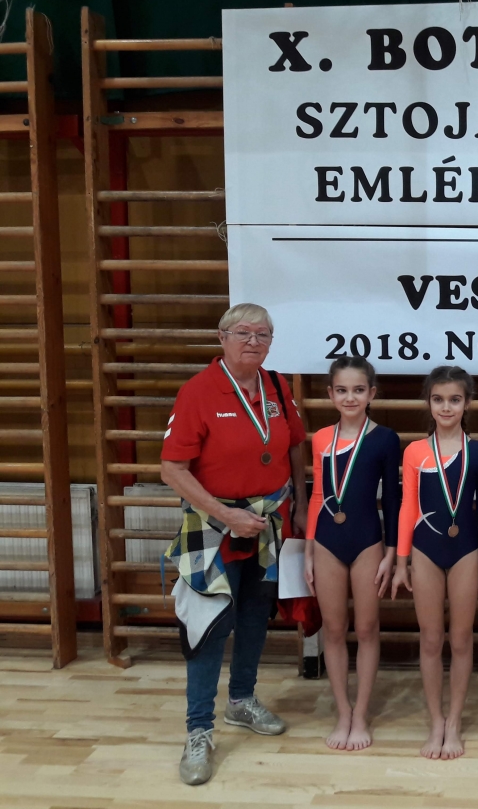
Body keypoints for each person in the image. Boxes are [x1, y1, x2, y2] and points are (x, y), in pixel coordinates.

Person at [161, 303, 307, 786]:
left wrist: (300, 504)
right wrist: (227, 516)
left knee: (253, 615)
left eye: (263, 334)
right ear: (221, 337)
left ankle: (241, 700)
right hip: (213, 526)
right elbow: (172, 469)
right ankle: (198, 730)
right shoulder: (198, 392)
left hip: (267, 523)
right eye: (243, 333)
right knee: (206, 626)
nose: (253, 342)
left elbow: (293, 445)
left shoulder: (277, 387)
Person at [391, 366, 478, 760]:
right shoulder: (414, 452)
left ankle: (454, 721)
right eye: (438, 399)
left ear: (467, 403)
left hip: (465, 552)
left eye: (455, 399)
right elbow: (408, 508)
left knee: (460, 639)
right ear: (429, 402)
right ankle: (436, 720)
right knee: (430, 638)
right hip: (425, 550)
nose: (446, 407)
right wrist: (402, 562)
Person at [304, 356, 400, 750]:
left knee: (366, 628)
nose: (350, 397)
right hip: (327, 542)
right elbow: (317, 495)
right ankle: (342, 711)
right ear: (330, 394)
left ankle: (361, 713)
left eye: (358, 390)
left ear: (371, 393)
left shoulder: (385, 439)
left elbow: (392, 500)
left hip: (367, 542)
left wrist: (392, 553)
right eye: (342, 390)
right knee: (333, 629)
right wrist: (308, 550)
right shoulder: (321, 439)